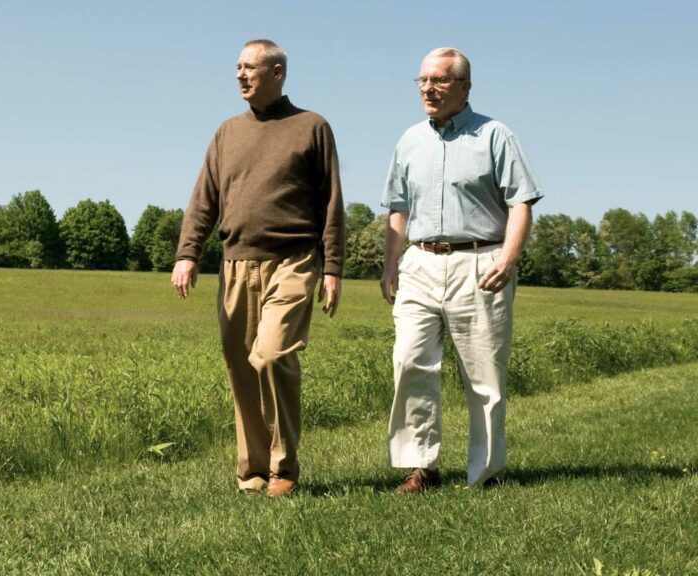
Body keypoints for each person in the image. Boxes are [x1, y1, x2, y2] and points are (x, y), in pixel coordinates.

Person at [171, 39, 345, 497]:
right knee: (241, 370)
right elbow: (203, 198)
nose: (240, 75)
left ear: (277, 72)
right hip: (236, 264)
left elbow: (331, 203)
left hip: (293, 260)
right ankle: (252, 472)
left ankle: (284, 467)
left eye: (249, 68)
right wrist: (188, 253)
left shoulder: (311, 127)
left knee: (270, 355)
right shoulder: (227, 132)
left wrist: (333, 267)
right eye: (237, 68)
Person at [379, 47, 543, 492]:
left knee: (484, 374)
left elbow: (521, 202)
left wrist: (508, 259)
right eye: (422, 81)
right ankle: (421, 468)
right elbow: (397, 208)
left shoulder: (495, 135)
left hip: (481, 262)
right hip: (419, 262)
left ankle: (486, 474)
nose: (428, 89)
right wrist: (390, 263)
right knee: (411, 361)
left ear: (464, 87)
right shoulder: (409, 140)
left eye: (439, 81)